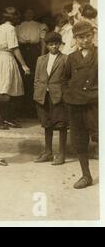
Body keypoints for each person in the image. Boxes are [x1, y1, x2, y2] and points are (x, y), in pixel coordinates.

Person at [62, 20, 98, 189]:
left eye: (88, 36)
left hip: (94, 103)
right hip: (75, 104)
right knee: (79, 140)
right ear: (75, 39)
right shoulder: (71, 57)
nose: (85, 41)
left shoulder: (100, 54)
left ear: (93, 35)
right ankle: (86, 175)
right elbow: (65, 79)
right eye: (81, 37)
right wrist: (67, 96)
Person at [0, 7, 31, 129]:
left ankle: (1, 119)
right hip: (6, 59)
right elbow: (14, 48)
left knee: (1, 89)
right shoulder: (11, 29)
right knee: (7, 90)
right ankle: (3, 119)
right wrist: (24, 65)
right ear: (14, 18)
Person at [33, 32, 68, 165]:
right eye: (51, 44)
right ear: (46, 45)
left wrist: (64, 94)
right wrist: (38, 93)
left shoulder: (65, 59)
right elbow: (36, 79)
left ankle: (61, 154)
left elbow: (67, 79)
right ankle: (48, 152)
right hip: (43, 96)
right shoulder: (40, 59)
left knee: (61, 124)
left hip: (58, 97)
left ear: (60, 44)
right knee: (47, 124)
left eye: (56, 44)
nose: (54, 46)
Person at [16, 9, 48, 117]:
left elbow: (43, 42)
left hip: (35, 52)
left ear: (34, 14)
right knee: (24, 78)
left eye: (31, 12)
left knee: (35, 78)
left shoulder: (39, 26)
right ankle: (24, 108)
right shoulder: (19, 26)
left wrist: (42, 56)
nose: (29, 14)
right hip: (23, 51)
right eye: (27, 12)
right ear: (24, 14)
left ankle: (34, 109)